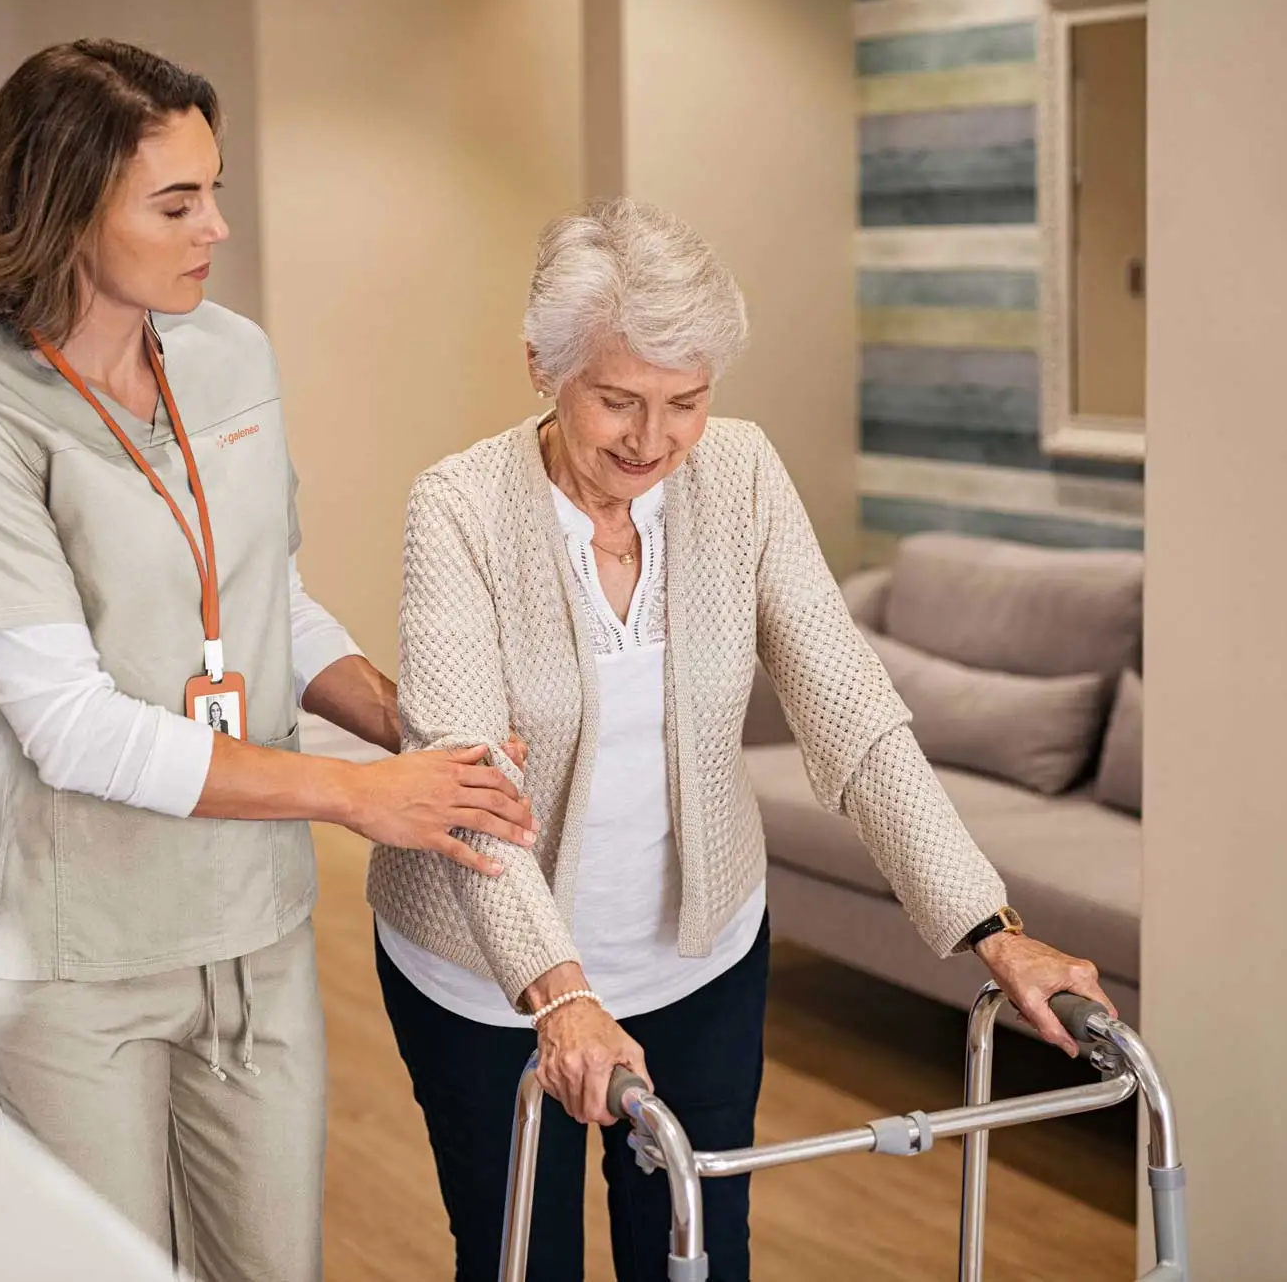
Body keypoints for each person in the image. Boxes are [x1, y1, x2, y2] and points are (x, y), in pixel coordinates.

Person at [367, 199, 1114, 1282]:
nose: (652, 440)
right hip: (487, 974)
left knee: (701, 1256)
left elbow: (852, 712)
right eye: (617, 400)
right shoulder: (459, 508)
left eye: (686, 401)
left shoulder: (743, 474)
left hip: (696, 954)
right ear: (541, 366)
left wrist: (992, 929)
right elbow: (469, 784)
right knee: (523, 1261)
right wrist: (561, 991)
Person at [0, 40, 537, 1281]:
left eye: (214, 191)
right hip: (79, 958)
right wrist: (360, 794)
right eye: (176, 203)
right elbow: (69, 725)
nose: (216, 229)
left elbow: (264, 598)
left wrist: (407, 727)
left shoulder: (230, 354)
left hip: (254, 933)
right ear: (65, 207)